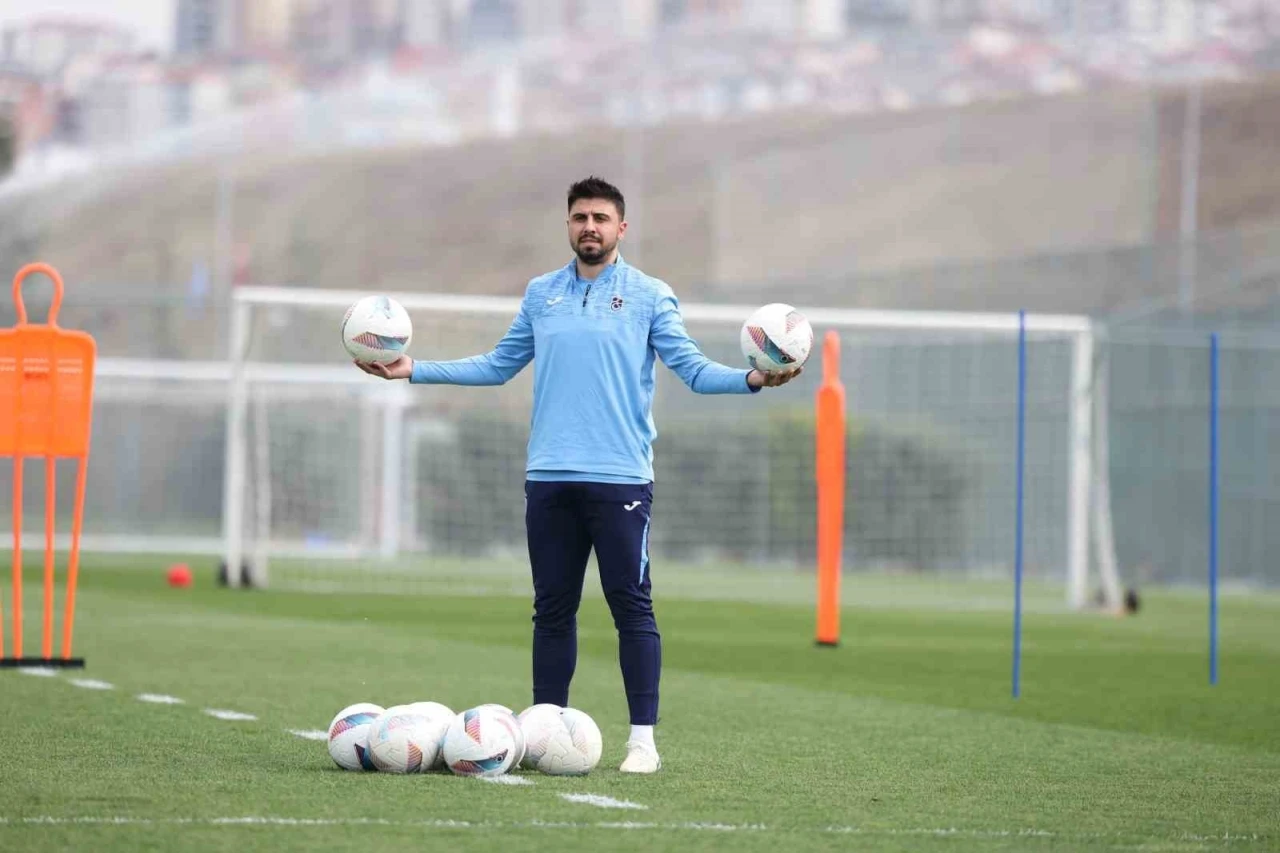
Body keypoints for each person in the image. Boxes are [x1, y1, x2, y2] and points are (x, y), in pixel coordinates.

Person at [357, 176, 801, 773]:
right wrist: (415, 368)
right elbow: (496, 366)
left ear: (622, 228)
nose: (589, 227)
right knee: (552, 609)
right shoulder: (542, 294)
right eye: (579, 218)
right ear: (568, 226)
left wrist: (751, 379)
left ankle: (642, 742)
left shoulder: (649, 295)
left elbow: (692, 371)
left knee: (631, 607)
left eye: (600, 218)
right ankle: (543, 733)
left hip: (620, 479)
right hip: (548, 477)